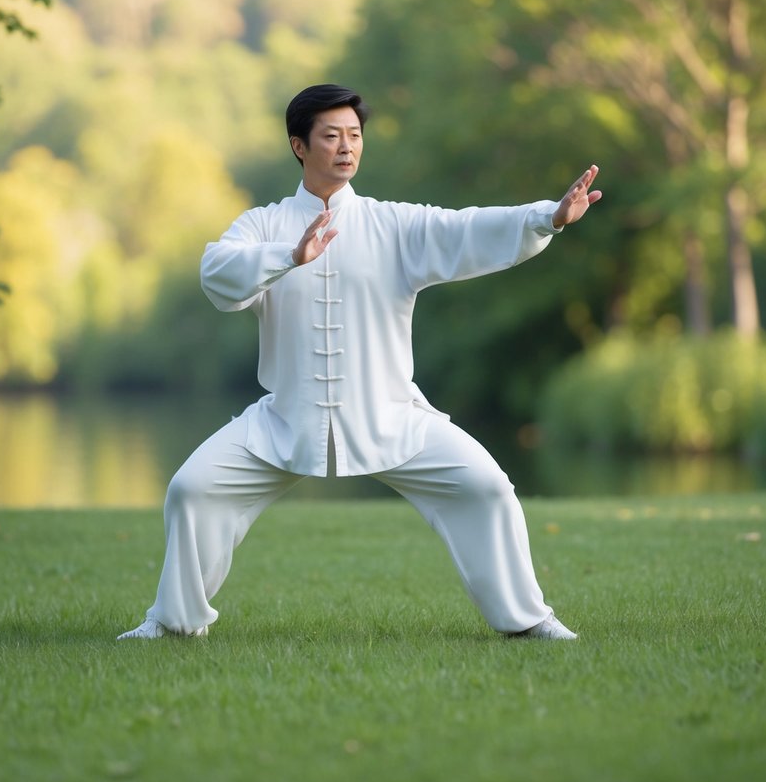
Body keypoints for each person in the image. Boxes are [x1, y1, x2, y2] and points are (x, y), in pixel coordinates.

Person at [119, 84, 601, 641]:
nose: (347, 147)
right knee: (191, 489)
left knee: (487, 488)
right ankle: (175, 624)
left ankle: (528, 620)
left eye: (354, 135)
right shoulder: (264, 225)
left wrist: (549, 217)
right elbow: (217, 275)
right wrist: (289, 257)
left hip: (392, 416)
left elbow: (467, 228)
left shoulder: (392, 223)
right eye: (331, 136)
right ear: (299, 146)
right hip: (285, 421)